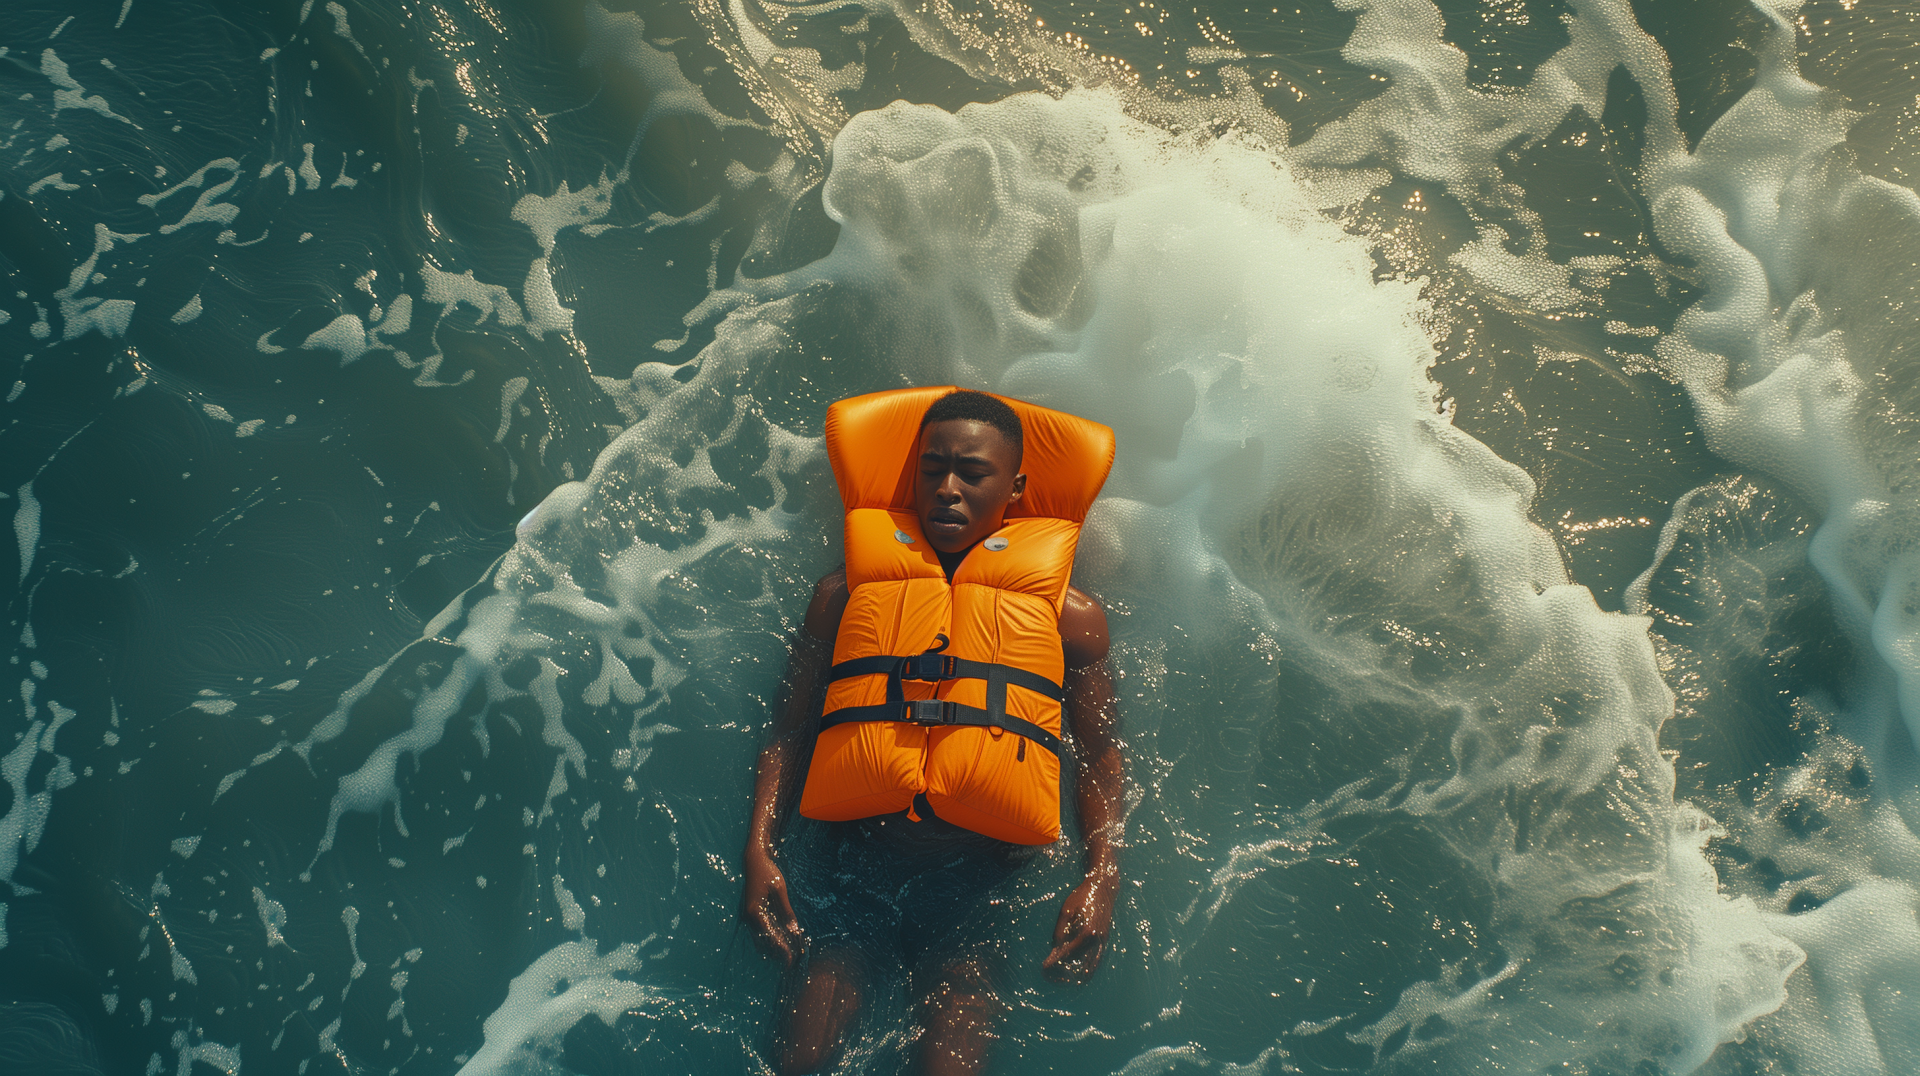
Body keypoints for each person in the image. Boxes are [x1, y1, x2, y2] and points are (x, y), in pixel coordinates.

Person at [741, 388, 1125, 1075]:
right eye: (932, 469)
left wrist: (1101, 879)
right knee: (797, 1065)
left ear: (1016, 488)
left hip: (977, 881)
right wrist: (760, 849)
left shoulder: (1073, 619)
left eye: (972, 474)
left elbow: (1097, 754)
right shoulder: (842, 596)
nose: (947, 489)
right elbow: (789, 729)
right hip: (856, 866)